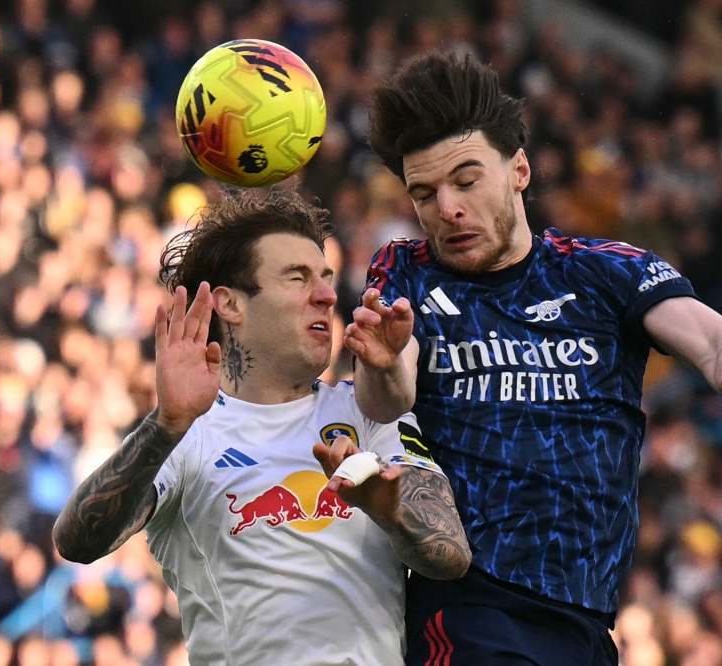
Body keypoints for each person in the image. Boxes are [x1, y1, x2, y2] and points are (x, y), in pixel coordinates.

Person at [347, 52, 722, 666]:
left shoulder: (605, 269)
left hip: (585, 617)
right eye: (424, 193)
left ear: (520, 170)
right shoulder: (406, 271)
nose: (446, 208)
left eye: (467, 181)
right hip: (473, 604)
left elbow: (718, 339)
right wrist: (382, 360)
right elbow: (385, 398)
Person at [52, 188, 470, 666]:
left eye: (327, 278)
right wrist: (165, 425)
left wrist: (390, 509)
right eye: (297, 278)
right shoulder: (187, 434)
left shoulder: (368, 411)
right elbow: (76, 541)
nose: (327, 295)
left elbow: (452, 554)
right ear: (230, 304)